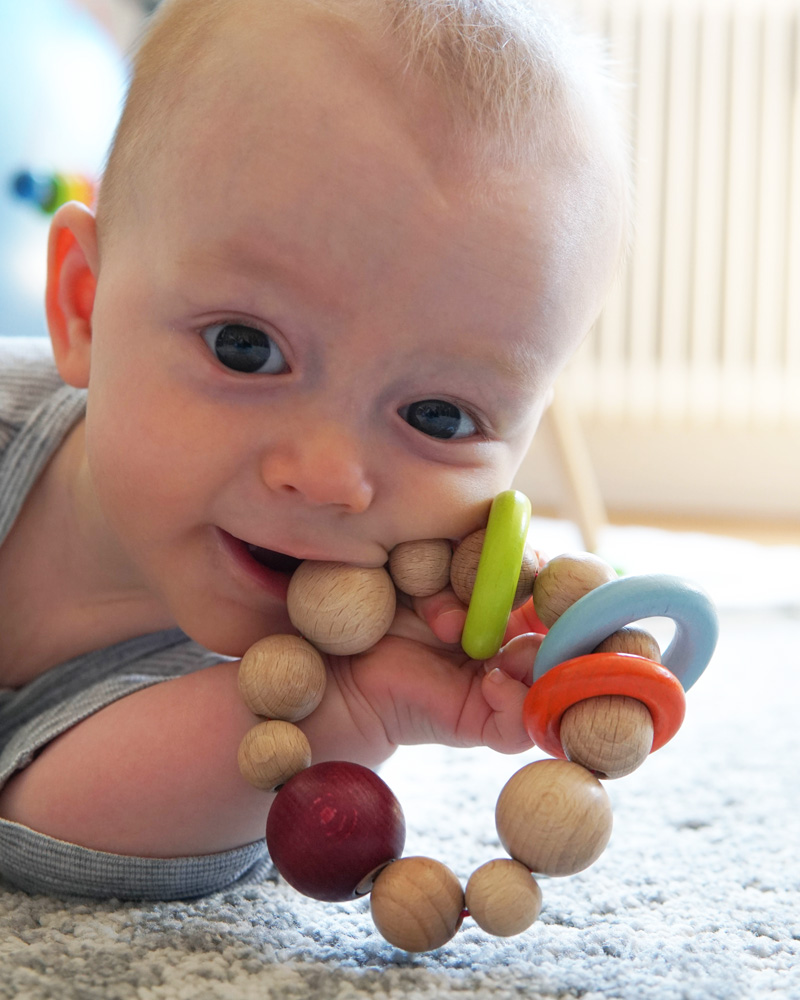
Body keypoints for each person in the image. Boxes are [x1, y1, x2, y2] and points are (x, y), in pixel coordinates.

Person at [0, 0, 628, 900]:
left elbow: (48, 826)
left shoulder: (286, 668)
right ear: (82, 309)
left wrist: (355, 708)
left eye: (440, 417)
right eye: (246, 348)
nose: (331, 476)